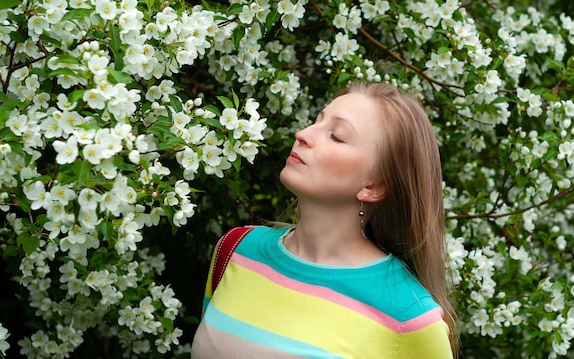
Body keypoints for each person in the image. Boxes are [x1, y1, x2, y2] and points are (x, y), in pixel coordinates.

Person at [191, 81, 459, 358]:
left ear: (374, 186)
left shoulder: (408, 316)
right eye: (316, 121)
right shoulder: (237, 248)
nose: (303, 133)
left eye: (337, 136)